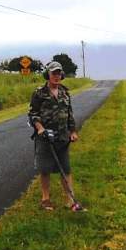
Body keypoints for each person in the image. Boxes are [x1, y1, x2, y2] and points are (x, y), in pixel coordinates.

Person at [28, 61, 79, 210]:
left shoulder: (65, 92)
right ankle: (46, 199)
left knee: (66, 169)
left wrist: (73, 131)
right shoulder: (39, 93)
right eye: (53, 73)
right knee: (45, 169)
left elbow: (70, 114)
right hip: (45, 137)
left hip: (63, 137)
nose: (56, 76)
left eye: (59, 73)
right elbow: (32, 114)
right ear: (48, 75)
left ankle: (70, 199)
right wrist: (40, 128)